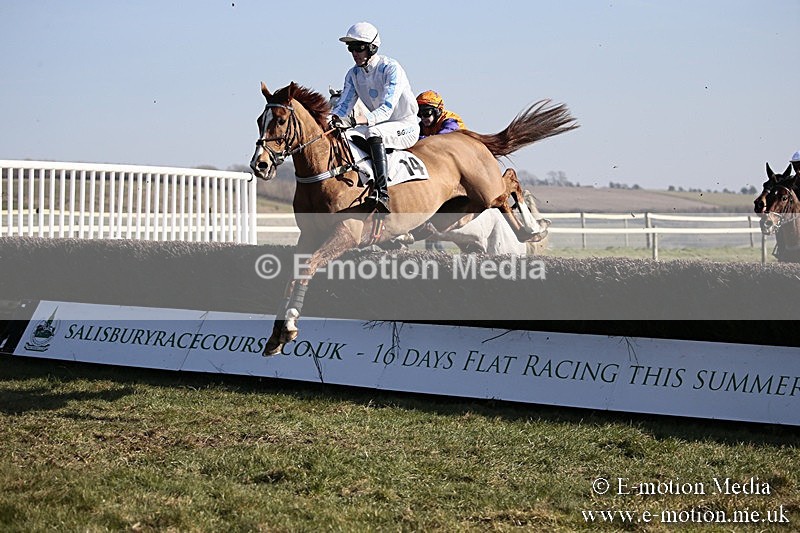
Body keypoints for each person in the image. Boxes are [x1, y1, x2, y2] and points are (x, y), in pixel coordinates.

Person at [330, 22, 420, 212]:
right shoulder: (353, 74)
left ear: (372, 48)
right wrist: (330, 122)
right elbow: (342, 107)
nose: (354, 53)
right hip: (379, 126)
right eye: (351, 48)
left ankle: (382, 193)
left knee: (373, 130)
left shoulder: (391, 68)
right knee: (343, 136)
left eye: (359, 48)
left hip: (405, 125)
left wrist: (355, 121)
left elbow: (386, 109)